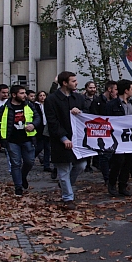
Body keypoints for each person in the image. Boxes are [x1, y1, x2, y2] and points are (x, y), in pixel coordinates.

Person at [45, 71, 86, 209]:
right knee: (64, 170)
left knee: (81, 165)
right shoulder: (52, 99)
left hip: (77, 139)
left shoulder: (78, 98)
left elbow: (87, 115)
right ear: (64, 83)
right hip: (60, 140)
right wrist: (63, 138)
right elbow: (52, 121)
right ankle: (68, 198)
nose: (76, 83)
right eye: (73, 81)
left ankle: (66, 184)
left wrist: (79, 111)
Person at [0, 85, 40, 196]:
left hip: (28, 139)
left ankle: (22, 176)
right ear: (14, 95)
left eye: (25, 93)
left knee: (30, 161)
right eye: (22, 93)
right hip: (11, 141)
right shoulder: (4, 108)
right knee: (15, 163)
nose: (25, 95)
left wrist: (33, 125)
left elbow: (37, 117)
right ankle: (18, 187)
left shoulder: (29, 106)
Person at [105, 79, 132, 197]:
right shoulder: (112, 105)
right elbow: (106, 120)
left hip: (129, 138)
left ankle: (123, 185)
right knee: (118, 162)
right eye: (131, 89)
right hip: (117, 139)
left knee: (128, 162)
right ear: (126, 90)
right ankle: (111, 184)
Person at [89, 80, 117, 185]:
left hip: (112, 132)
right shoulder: (97, 101)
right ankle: (107, 178)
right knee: (104, 155)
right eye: (115, 90)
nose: (116, 92)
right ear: (109, 90)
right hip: (101, 132)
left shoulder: (114, 102)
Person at [33, 90, 53, 173]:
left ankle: (46, 165)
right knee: (39, 147)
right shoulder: (35, 106)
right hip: (39, 128)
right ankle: (30, 159)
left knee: (47, 148)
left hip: (47, 127)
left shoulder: (48, 105)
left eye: (44, 95)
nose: (42, 97)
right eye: (40, 95)